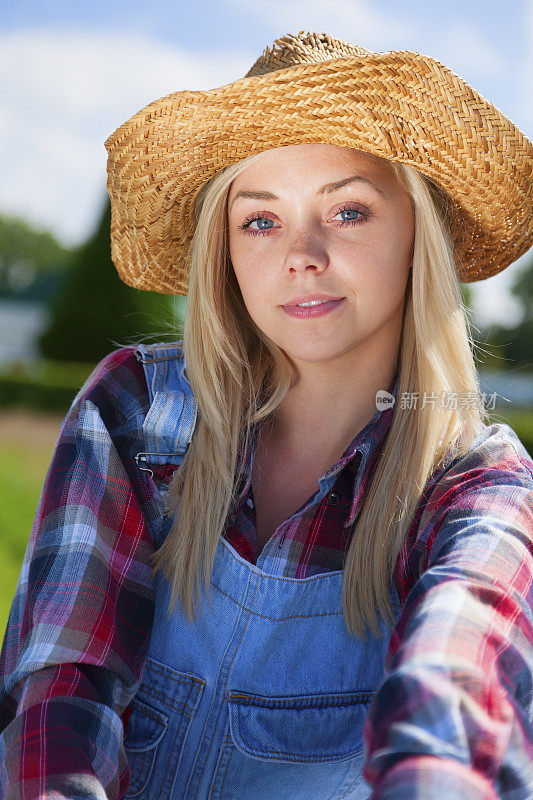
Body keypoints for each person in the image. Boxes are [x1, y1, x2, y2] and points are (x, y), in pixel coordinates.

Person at [1, 31, 532, 800]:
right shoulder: (136, 410)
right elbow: (60, 687)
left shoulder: (478, 492)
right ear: (225, 251)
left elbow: (450, 713)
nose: (301, 254)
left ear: (419, 235)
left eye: (348, 211)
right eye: (259, 220)